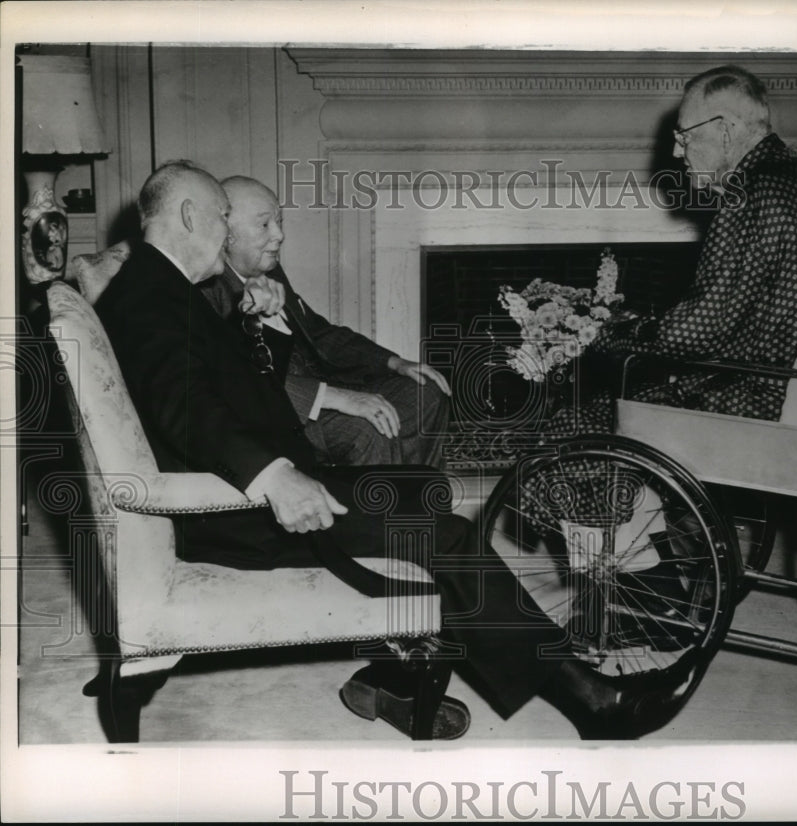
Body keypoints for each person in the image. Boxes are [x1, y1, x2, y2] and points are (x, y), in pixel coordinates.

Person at [95, 159, 694, 740]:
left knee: (429, 496)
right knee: (445, 535)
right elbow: (187, 406)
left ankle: (399, 670)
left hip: (256, 486)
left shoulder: (159, 287)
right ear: (191, 215)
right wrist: (274, 476)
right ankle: (591, 699)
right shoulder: (151, 296)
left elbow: (231, 390)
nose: (230, 232)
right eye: (226, 217)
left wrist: (257, 329)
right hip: (232, 510)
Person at [547, 64, 797, 438]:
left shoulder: (748, 194)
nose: (677, 152)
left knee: (572, 423)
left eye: (685, 136)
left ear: (725, 131)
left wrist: (609, 332)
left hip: (749, 406)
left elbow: (693, 333)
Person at [199, 175, 450, 469]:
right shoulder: (207, 291)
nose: (279, 235)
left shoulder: (271, 272)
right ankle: (381, 511)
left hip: (323, 390)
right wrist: (337, 398)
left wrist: (394, 363)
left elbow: (320, 335)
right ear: (226, 233)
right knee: (368, 431)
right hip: (284, 414)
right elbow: (237, 381)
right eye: (264, 224)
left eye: (279, 221)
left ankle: (419, 503)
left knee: (427, 392)